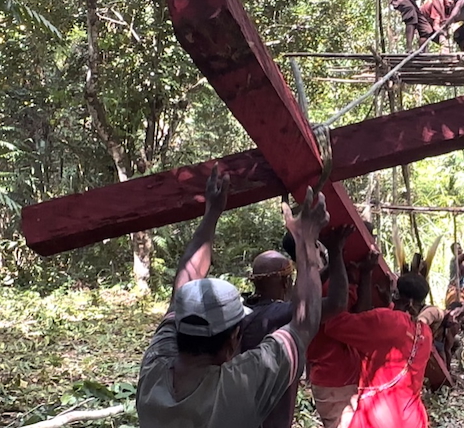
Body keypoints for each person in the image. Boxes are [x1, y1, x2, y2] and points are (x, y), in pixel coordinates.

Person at [136, 167, 329, 428]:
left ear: (179, 330)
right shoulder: (238, 386)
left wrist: (211, 212)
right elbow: (305, 324)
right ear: (233, 340)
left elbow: (182, 288)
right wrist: (306, 240)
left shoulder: (153, 373)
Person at [238, 225, 353, 428]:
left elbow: (300, 296)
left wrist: (329, 269)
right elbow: (336, 303)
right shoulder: (281, 315)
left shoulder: (241, 309)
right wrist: (336, 253)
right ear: (286, 282)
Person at [281, 227, 376, 428]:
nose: (322, 249)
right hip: (336, 381)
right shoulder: (317, 288)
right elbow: (359, 318)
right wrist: (363, 274)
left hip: (336, 378)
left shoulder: (313, 282)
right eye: (317, 244)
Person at [323, 264, 439, 428]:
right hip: (413, 419)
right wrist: (390, 306)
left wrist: (355, 286)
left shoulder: (385, 321)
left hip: (378, 419)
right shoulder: (425, 333)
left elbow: (334, 325)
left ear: (397, 294)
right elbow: (399, 331)